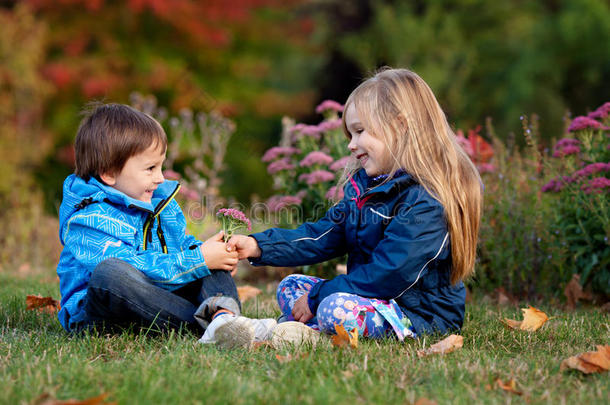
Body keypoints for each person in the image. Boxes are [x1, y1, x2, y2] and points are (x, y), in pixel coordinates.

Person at [228, 68, 483, 341]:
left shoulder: (429, 199)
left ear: (400, 126)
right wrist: (258, 246)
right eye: (350, 134)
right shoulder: (369, 189)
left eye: (360, 131)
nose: (351, 144)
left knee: (332, 307)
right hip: (375, 300)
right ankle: (304, 330)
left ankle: (305, 331)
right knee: (291, 286)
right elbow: (322, 235)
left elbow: (389, 272)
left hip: (420, 316)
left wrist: (318, 296)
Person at [56, 103, 276, 346]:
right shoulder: (87, 220)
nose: (160, 178)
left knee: (209, 258)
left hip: (160, 300)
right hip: (106, 312)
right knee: (110, 272)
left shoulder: (159, 201)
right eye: (150, 168)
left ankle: (224, 318)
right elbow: (136, 268)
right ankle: (210, 327)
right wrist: (198, 260)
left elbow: (180, 247)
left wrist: (209, 253)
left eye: (160, 165)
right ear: (109, 173)